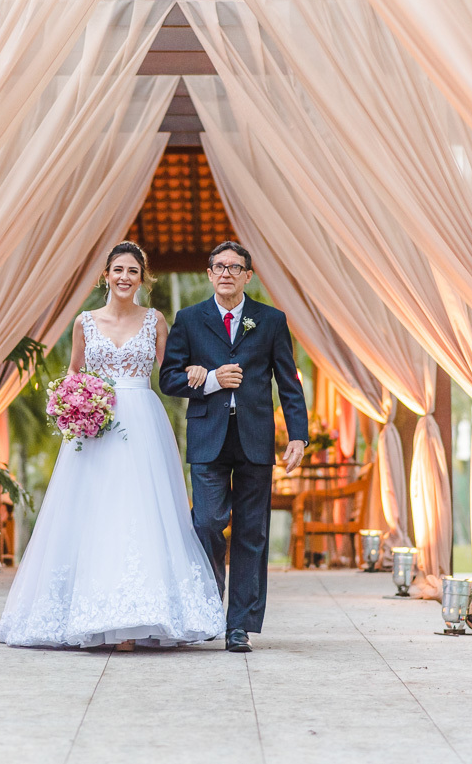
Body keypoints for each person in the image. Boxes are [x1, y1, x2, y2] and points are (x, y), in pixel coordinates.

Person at [0, 242, 225, 649]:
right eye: (118, 269)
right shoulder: (85, 322)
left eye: (133, 271)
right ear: (106, 275)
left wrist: (196, 370)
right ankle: (89, 613)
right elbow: (74, 374)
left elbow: (169, 372)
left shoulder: (155, 320)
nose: (124, 277)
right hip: (95, 426)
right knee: (92, 509)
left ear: (142, 278)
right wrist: (71, 404)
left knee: (140, 509)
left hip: (142, 423)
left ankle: (141, 616)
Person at [160, 241, 309, 653]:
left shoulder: (271, 320)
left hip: (256, 439)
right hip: (208, 437)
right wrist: (208, 378)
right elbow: (169, 379)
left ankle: (239, 624)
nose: (226, 273)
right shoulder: (189, 320)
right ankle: (208, 611)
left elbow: (289, 383)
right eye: (219, 266)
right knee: (207, 522)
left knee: (252, 531)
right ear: (209, 274)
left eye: (235, 267)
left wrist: (298, 434)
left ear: (248, 275)